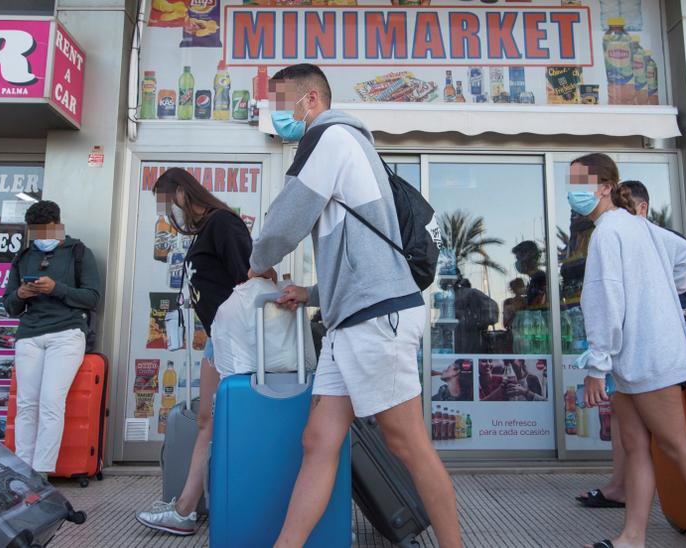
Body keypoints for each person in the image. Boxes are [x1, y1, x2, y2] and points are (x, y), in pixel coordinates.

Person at [246, 63, 462, 548]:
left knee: (408, 444)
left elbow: (286, 220)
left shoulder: (331, 139)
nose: (276, 114)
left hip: (376, 318)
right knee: (319, 442)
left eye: (281, 103)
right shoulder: (346, 147)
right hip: (354, 321)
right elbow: (363, 259)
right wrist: (312, 294)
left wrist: (257, 262)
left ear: (311, 101)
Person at [571, 153, 686, 548]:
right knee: (636, 447)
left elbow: (605, 301)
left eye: (580, 183)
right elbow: (685, 255)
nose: (573, 193)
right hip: (643, 356)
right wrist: (665, 301)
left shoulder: (609, 233)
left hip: (649, 357)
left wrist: (598, 364)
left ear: (605, 188)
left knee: (677, 447)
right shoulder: (638, 227)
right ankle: (632, 537)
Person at [136, 168, 252, 536]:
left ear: (182, 194)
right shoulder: (208, 229)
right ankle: (185, 509)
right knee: (207, 420)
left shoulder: (224, 225)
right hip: (219, 336)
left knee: (226, 422)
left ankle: (200, 507)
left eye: (169, 203)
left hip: (235, 339)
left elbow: (248, 279)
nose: (170, 214)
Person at [2, 201, 102, 475]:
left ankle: (42, 471)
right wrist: (21, 294)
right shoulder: (23, 257)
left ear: (58, 225)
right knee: (26, 404)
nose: (43, 239)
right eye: (37, 233)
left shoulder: (79, 252)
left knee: (50, 401)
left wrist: (56, 288)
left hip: (66, 333)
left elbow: (92, 297)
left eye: (47, 232)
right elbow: (9, 305)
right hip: (29, 335)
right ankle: (23, 469)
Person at [620, 180, 686, 312]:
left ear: (643, 208)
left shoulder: (672, 241)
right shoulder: (618, 242)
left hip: (678, 317)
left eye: (625, 209)